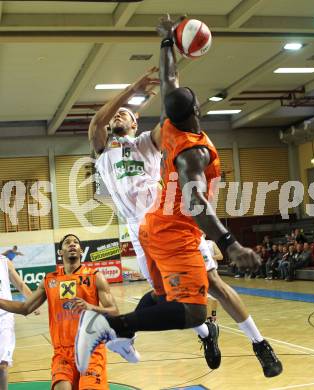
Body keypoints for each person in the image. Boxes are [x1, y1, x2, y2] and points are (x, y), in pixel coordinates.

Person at [76, 15, 282, 378]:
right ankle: (206, 332)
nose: (121, 115)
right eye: (117, 115)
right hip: (141, 234)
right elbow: (96, 123)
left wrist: (168, 55)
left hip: (172, 222)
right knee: (169, 300)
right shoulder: (102, 151)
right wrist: (134, 87)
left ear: (139, 125)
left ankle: (259, 343)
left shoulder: (149, 143)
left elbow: (175, 104)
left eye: (128, 114)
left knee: (213, 284)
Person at [0, 234, 129, 390]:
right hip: (63, 354)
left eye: (75, 242)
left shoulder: (95, 277)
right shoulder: (49, 280)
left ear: (81, 251)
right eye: (67, 243)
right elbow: (25, 308)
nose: (72, 244)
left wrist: (92, 307)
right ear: (60, 252)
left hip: (91, 351)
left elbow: (114, 311)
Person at [0, 254, 39, 390]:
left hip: (4, 317)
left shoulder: (4, 262)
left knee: (3, 365)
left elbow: (21, 285)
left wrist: (32, 303)